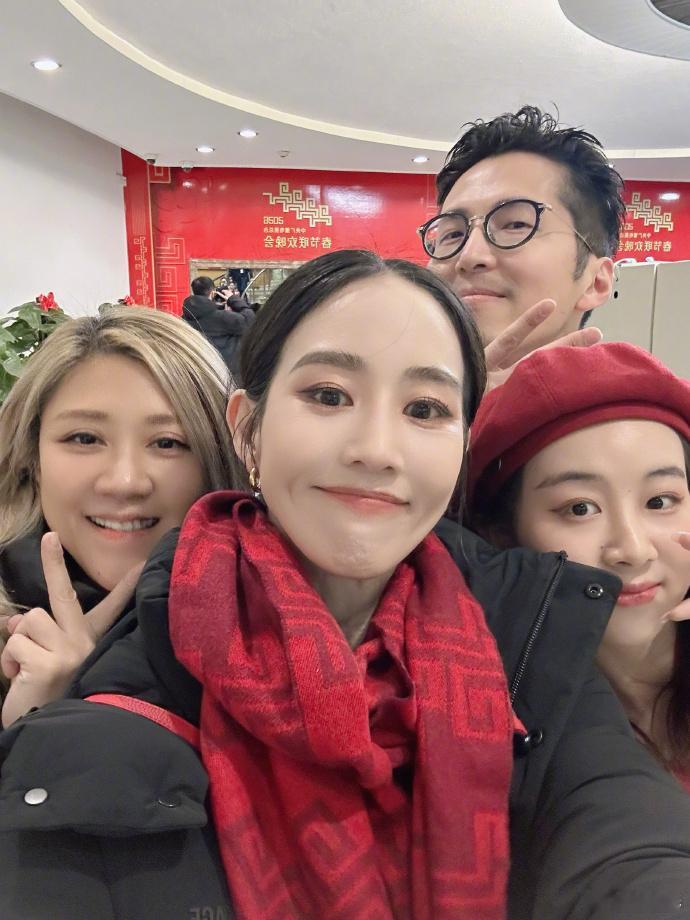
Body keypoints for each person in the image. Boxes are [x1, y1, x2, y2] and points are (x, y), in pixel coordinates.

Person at [2, 254, 690, 920]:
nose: (376, 450)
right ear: (246, 429)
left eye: (426, 409)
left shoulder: (525, 631)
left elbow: (624, 832)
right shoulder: (134, 687)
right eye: (328, 395)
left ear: (461, 446)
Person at [467, 341, 690, 788]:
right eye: (579, 509)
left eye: (660, 501)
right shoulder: (486, 711)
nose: (632, 549)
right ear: (503, 533)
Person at [0, 306, 235, 726]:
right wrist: (31, 722)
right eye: (84, 438)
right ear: (32, 458)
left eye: (168, 443)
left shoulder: (272, 635)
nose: (125, 482)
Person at [422, 106, 626, 381]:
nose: (469, 256)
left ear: (595, 282)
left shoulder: (632, 403)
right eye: (453, 234)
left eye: (515, 225)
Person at [183, 275, 255, 374]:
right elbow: (251, 321)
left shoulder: (183, 319)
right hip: (226, 373)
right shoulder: (223, 318)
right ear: (212, 292)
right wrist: (233, 298)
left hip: (199, 371)